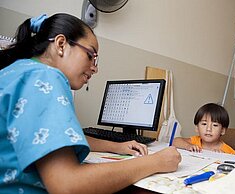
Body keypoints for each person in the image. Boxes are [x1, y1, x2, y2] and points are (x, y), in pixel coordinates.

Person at [0, 13, 181, 193]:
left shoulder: (18, 71)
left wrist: (116, 146)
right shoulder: (45, 77)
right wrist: (155, 162)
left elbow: (55, 138)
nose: (95, 68)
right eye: (90, 55)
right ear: (61, 44)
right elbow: (67, 186)